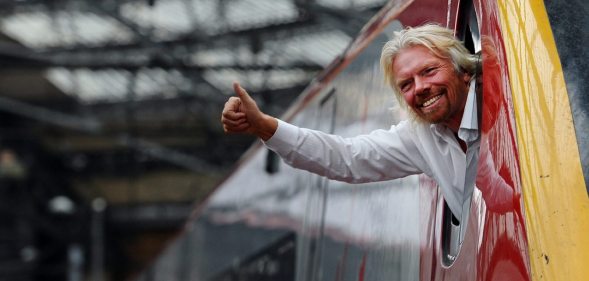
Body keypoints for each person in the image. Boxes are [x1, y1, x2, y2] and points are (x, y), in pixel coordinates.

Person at [221, 24, 481, 223]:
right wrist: (264, 127)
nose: (421, 88)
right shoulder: (420, 136)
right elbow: (346, 157)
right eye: (406, 84)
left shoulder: (507, 101)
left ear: (463, 70)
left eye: (429, 71)